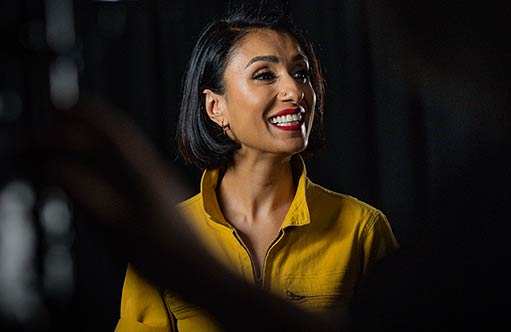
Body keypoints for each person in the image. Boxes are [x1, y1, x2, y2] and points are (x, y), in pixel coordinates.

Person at [113, 5, 399, 332]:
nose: (295, 91)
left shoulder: (362, 229)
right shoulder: (168, 235)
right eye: (265, 75)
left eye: (301, 73)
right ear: (215, 107)